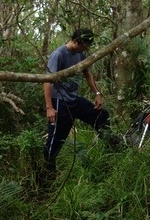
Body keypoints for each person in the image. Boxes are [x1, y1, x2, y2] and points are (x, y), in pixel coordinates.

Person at [43, 28, 116, 175]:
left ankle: (114, 148)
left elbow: (87, 72)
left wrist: (97, 93)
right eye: (83, 45)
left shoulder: (80, 53)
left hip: (74, 99)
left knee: (100, 116)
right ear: (76, 41)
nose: (85, 49)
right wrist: (49, 107)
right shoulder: (58, 55)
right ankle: (47, 174)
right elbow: (47, 81)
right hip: (59, 101)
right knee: (56, 139)